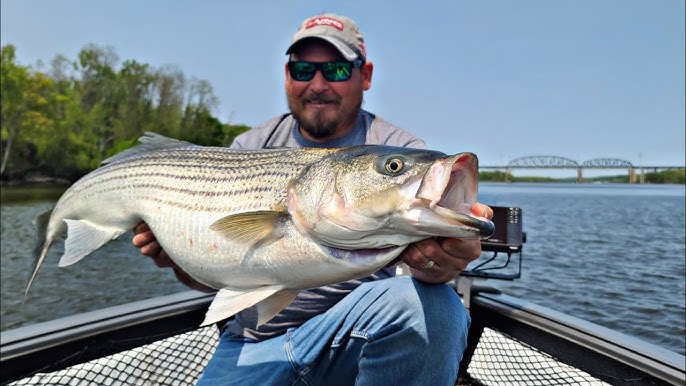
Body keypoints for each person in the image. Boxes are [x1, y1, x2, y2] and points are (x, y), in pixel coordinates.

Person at [133, 13, 493, 386]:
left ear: (365, 75)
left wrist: (442, 263)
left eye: (336, 70)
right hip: (253, 342)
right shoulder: (248, 148)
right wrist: (176, 258)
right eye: (303, 69)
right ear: (287, 77)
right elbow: (216, 278)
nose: (318, 84)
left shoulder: (401, 149)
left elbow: (429, 270)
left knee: (436, 308)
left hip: (355, 340)